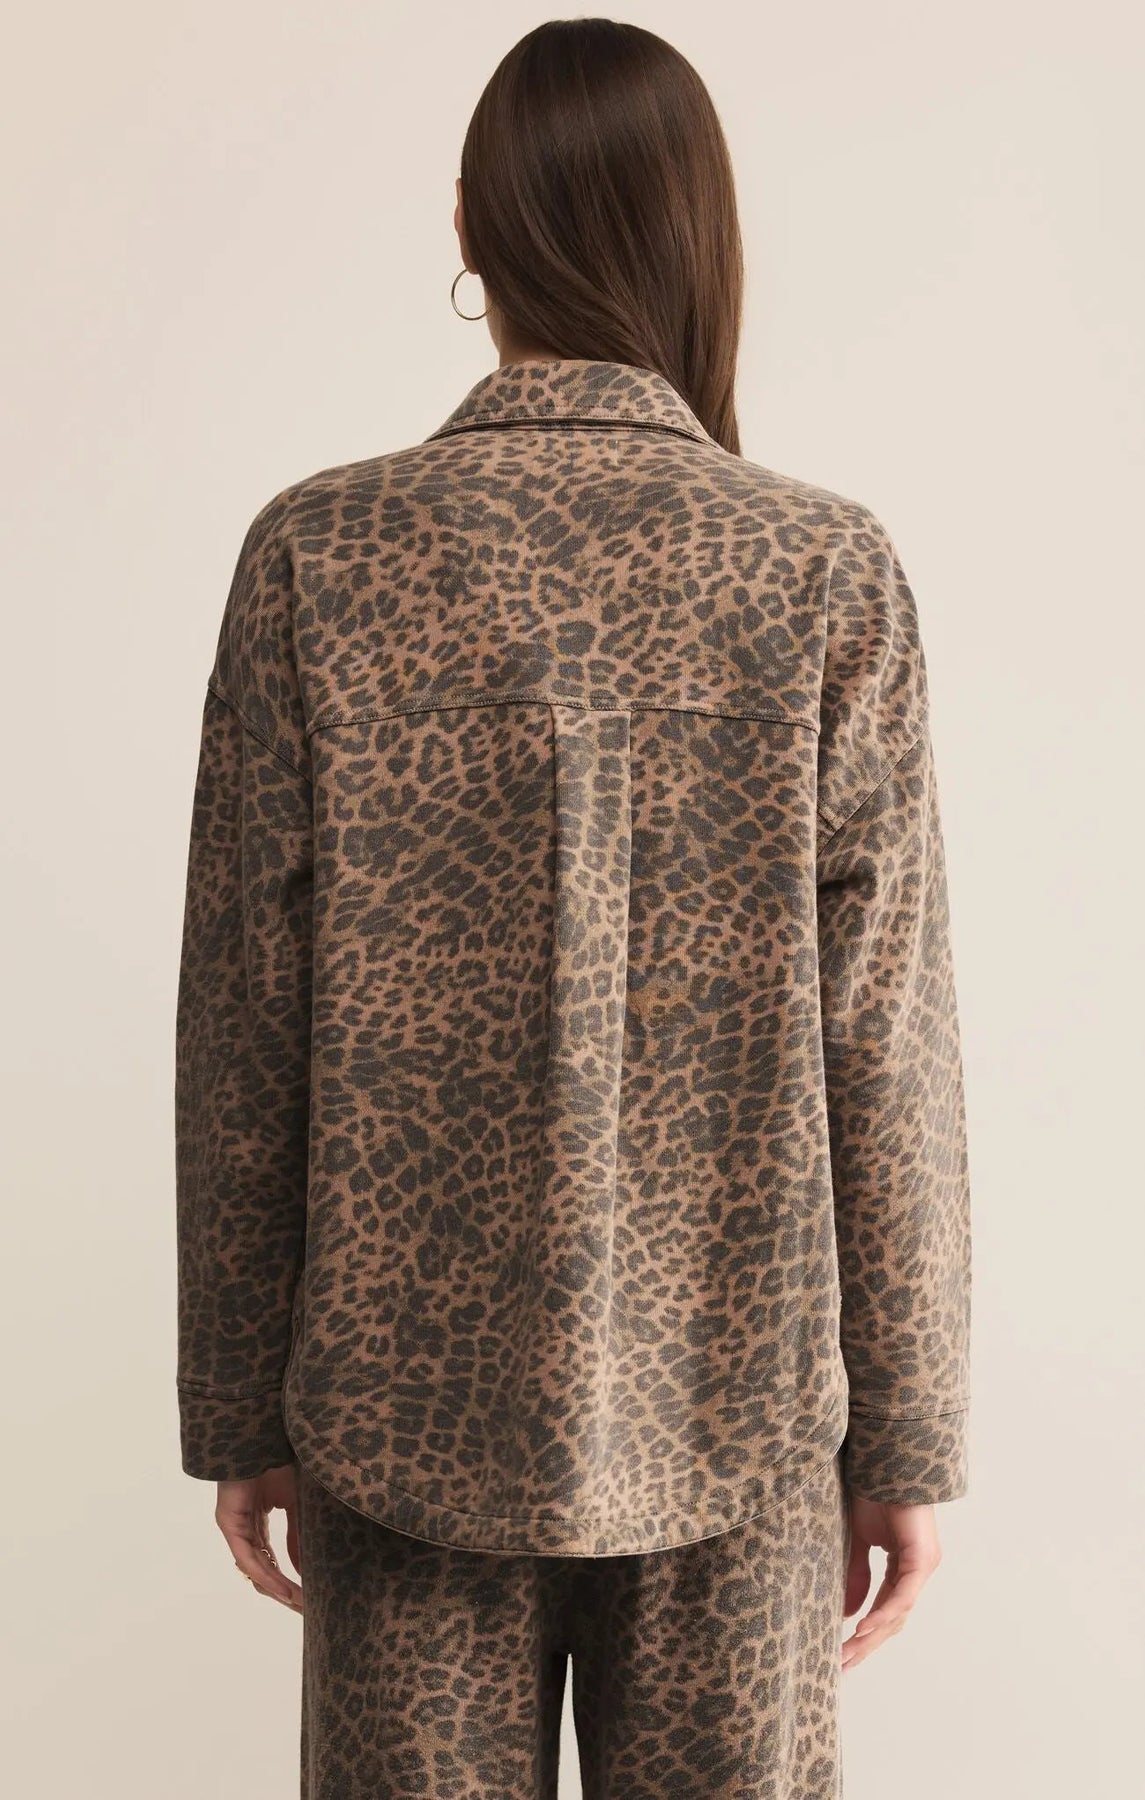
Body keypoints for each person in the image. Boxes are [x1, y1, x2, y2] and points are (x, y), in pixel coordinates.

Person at [173, 18, 972, 1799]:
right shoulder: (819, 568)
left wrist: (236, 1397)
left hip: (394, 1408)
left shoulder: (321, 554)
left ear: (469, 224)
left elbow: (243, 1021)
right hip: (736, 1404)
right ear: (703, 235)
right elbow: (884, 1040)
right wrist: (908, 1437)